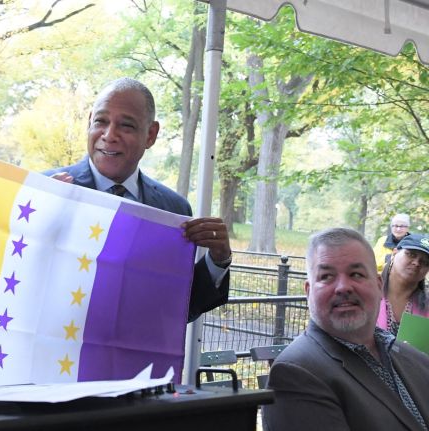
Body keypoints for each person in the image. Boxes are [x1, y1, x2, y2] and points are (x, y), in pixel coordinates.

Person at [44, 77, 231, 322]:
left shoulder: (172, 209)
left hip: (132, 358)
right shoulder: (44, 192)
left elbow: (175, 309)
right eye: (101, 121)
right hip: (58, 355)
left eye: (126, 126)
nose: (109, 135)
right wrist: (36, 223)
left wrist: (219, 260)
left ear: (151, 135)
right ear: (89, 122)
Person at [262, 227, 429, 431]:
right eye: (326, 277)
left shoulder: (413, 359)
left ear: (378, 285)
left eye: (356, 274)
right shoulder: (295, 373)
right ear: (308, 291)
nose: (343, 287)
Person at [377, 233, 429, 335]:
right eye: (411, 254)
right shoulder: (367, 291)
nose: (417, 263)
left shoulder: (426, 307)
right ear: (394, 253)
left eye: (426, 262)